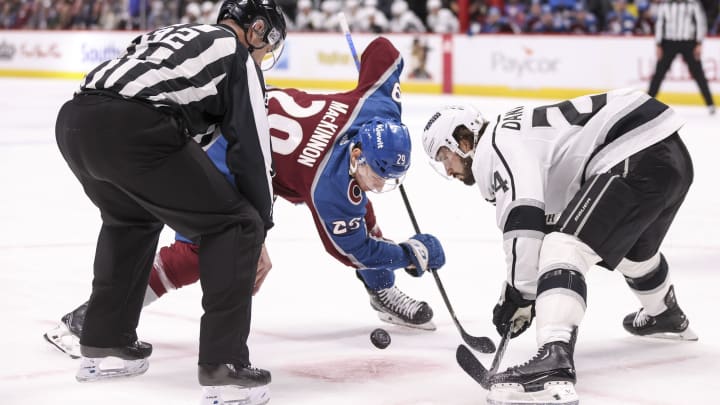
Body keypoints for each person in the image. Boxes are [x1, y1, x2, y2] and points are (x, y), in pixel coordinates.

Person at [46, 37, 446, 357]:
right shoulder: (329, 188)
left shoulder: (374, 107)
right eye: (378, 173)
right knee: (202, 252)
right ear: (357, 153)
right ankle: (91, 317)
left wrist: (382, 101)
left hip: (244, 132)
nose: (382, 182)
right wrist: (409, 254)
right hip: (224, 159)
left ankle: (380, 291)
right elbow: (354, 249)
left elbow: (383, 52)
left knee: (358, 204)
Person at [53, 0, 286, 403]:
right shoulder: (236, 54)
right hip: (134, 125)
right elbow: (251, 149)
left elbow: (179, 163)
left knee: (131, 218)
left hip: (76, 120)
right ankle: (223, 366)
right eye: (267, 45)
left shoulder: (171, 36)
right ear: (257, 30)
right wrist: (259, 226)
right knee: (237, 224)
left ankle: (105, 342)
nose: (264, 55)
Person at [422, 88, 697, 404]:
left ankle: (554, 362)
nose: (447, 169)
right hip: (669, 157)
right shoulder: (513, 134)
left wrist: (519, 294)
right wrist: (516, 291)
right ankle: (663, 313)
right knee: (632, 250)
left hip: (633, 154)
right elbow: (547, 217)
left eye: (445, 156)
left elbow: (523, 222)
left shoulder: (494, 149)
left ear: (465, 141)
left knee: (563, 246)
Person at [648, 0, 715, 115]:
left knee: (698, 73)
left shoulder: (693, 4)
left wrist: (699, 43)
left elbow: (700, 23)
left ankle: (710, 104)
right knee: (659, 73)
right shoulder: (665, 5)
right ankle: (646, 104)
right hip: (668, 43)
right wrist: (658, 44)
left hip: (688, 43)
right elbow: (660, 24)